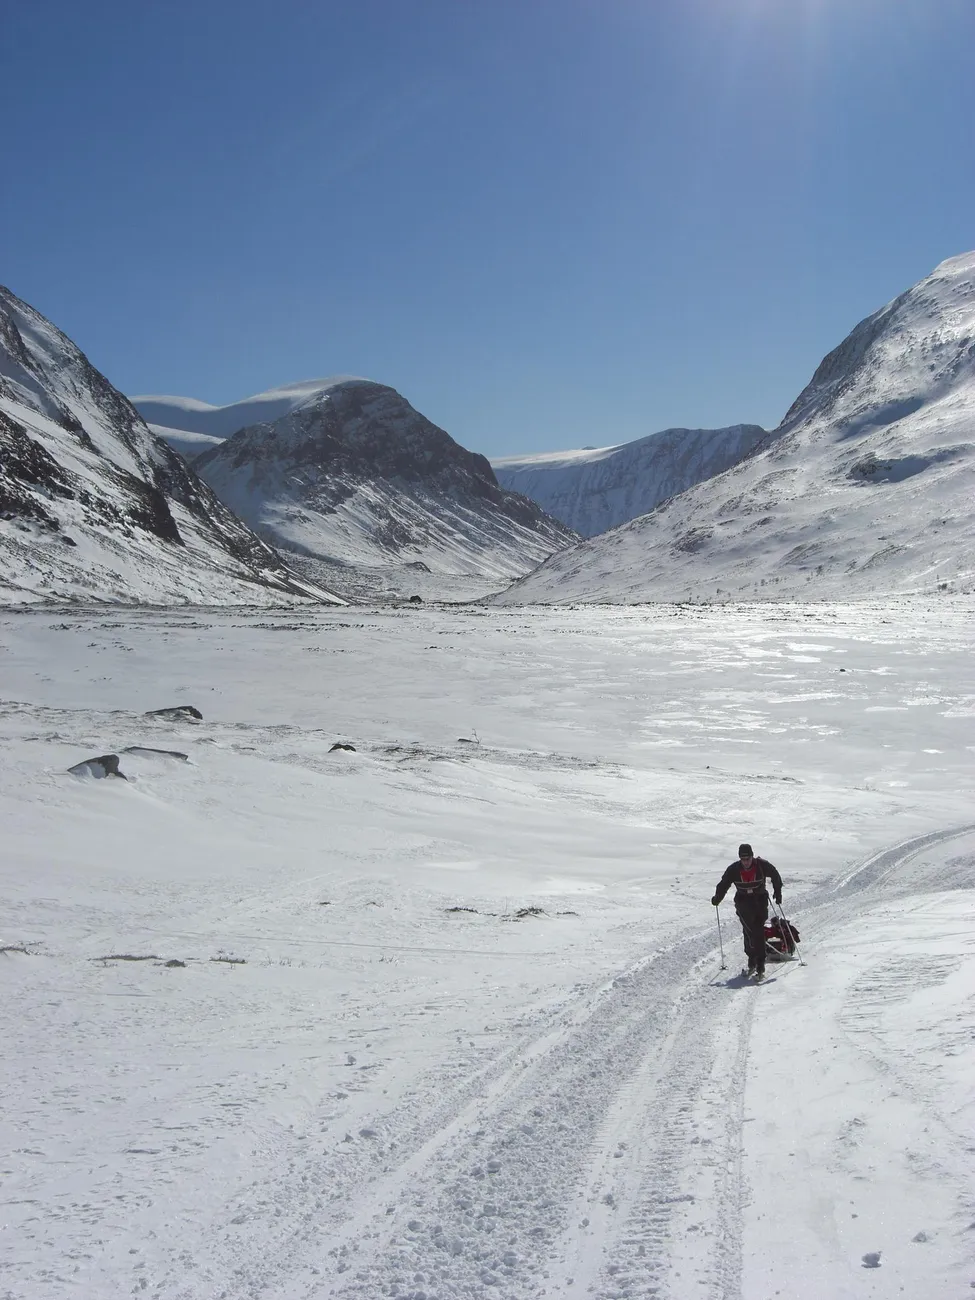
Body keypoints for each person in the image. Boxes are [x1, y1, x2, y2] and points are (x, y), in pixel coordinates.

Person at [711, 843, 783, 979]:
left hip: (760, 901)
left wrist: (778, 893)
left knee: (757, 930)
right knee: (749, 931)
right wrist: (717, 898)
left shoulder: (761, 865)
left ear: (752, 856)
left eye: (748, 858)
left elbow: (775, 875)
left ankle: (759, 965)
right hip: (743, 902)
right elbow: (724, 884)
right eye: (743, 859)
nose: (746, 862)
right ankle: (752, 961)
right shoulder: (734, 869)